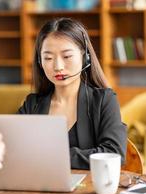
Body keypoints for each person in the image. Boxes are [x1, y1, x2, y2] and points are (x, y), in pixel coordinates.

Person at [17, 18, 127, 169]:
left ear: (85, 57)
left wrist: (54, 156)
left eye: (67, 56)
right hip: (42, 187)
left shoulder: (104, 100)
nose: (58, 66)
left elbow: (114, 154)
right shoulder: (32, 104)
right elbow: (15, 149)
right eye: (48, 58)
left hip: (87, 188)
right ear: (39, 61)